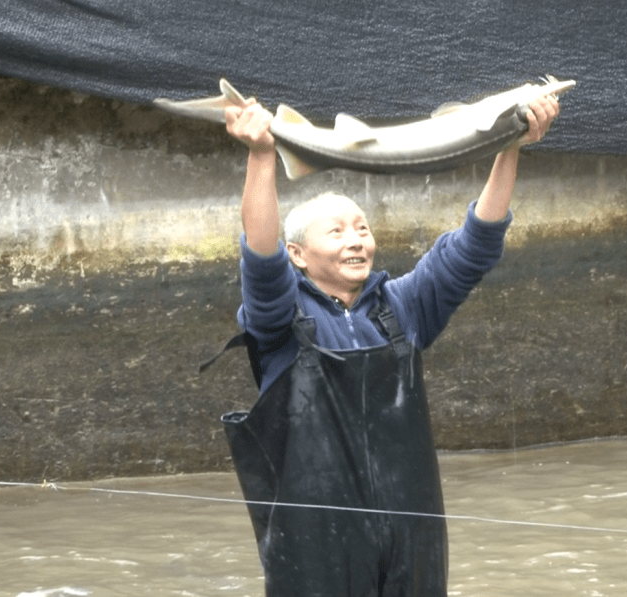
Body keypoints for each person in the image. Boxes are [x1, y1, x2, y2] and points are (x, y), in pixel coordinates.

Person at [218, 89, 559, 597]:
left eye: (362, 228)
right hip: (318, 551)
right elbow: (261, 264)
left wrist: (510, 145)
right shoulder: (282, 321)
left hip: (411, 542)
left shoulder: (402, 306)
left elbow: (475, 245)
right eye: (335, 232)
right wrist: (261, 156)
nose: (356, 239)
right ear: (299, 254)